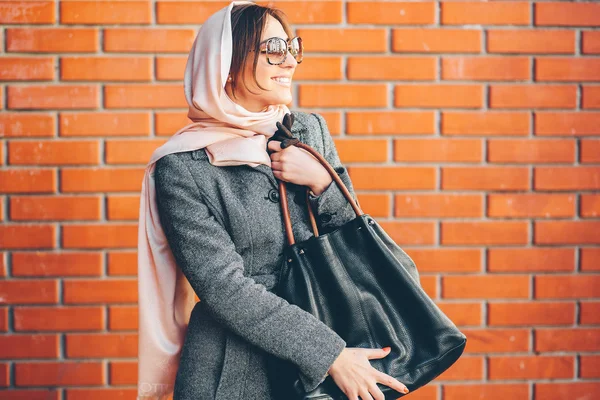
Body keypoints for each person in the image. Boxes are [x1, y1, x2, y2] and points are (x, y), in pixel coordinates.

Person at [136, 1, 410, 399]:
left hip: (335, 344)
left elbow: (352, 238)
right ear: (226, 64)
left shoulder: (307, 131)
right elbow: (224, 287)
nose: (290, 62)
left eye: (292, 48)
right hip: (233, 370)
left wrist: (322, 183)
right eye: (272, 50)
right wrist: (329, 354)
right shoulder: (181, 166)